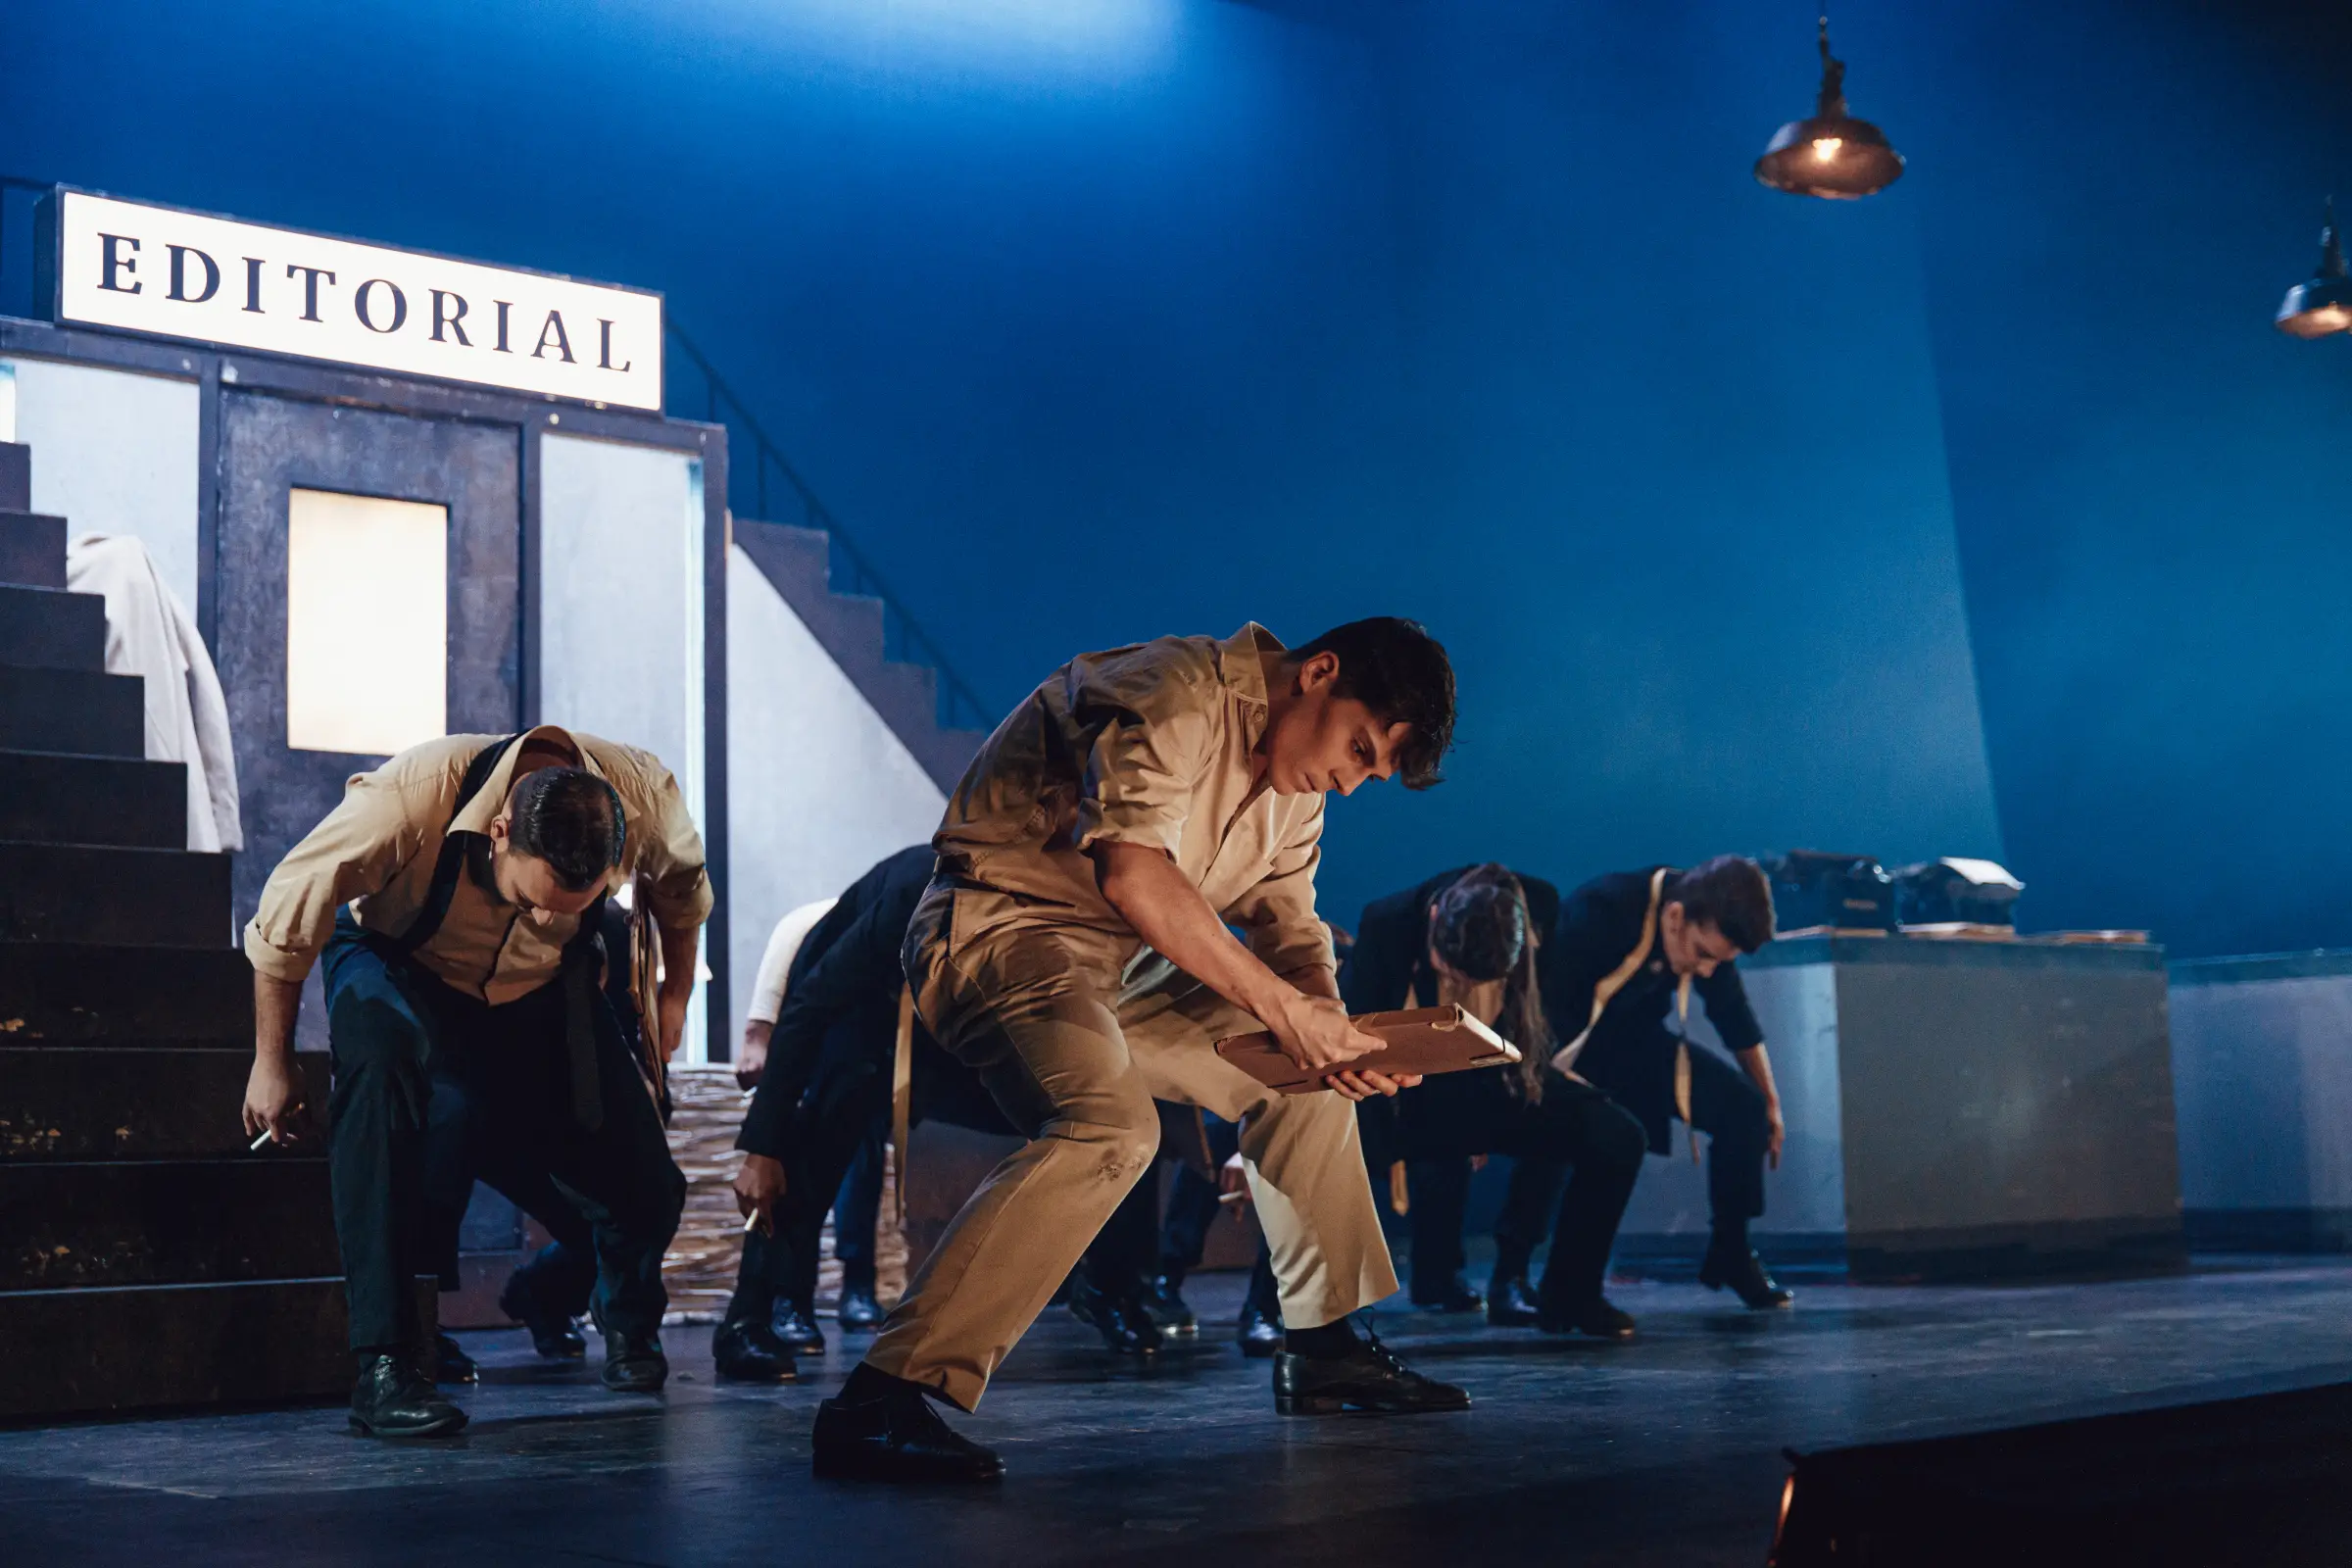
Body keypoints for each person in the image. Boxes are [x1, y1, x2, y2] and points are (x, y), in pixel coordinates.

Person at [808, 617, 1467, 1484]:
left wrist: (1330, 1034)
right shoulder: (1178, 689)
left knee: (1303, 1083)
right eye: (1357, 749)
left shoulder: (1296, 791)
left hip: (1126, 965)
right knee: (1112, 1129)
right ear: (1319, 673)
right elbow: (1133, 872)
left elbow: (1291, 929)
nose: (1348, 782)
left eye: (1369, 774)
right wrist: (1288, 1012)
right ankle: (879, 1398)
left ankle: (1324, 1348)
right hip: (999, 928)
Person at [240, 726, 707, 1439]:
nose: (545, 915)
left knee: (646, 1175)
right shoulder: (408, 799)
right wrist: (272, 1060)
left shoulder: (642, 794)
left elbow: (681, 888)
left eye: (569, 903)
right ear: (499, 831)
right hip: (399, 958)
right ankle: (385, 1368)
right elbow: (287, 909)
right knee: (386, 1078)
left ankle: (629, 1322)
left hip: (541, 981)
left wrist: (674, 996)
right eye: (535, 897)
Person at [725, 846, 1197, 1380]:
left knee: (1111, 1112)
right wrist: (761, 1148)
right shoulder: (914, 892)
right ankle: (753, 1316)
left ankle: (1111, 1287)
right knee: (821, 1135)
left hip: (960, 1016)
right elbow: (811, 1008)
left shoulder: (1066, 912)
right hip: (863, 1003)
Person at [1346, 864, 1649, 1337]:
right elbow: (1347, 1035)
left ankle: (1570, 1295)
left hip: (1494, 1076)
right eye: (1454, 973)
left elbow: (1545, 1010)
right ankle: (1279, 1309)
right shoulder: (1388, 922)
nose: (1468, 988)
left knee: (1615, 1134)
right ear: (1434, 919)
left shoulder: (1540, 905)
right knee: (1326, 1147)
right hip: (1404, 1091)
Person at [1491, 857, 1792, 1315]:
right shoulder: (1604, 910)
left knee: (1744, 1110)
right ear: (1675, 916)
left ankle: (1731, 1252)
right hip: (1562, 1037)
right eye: (1702, 955)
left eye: (1718, 961)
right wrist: (1527, 1081)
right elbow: (1543, 1007)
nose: (1706, 971)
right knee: (1556, 1132)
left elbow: (1736, 1020)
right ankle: (1510, 1275)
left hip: (1633, 1042)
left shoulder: (1708, 921)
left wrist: (1771, 1104)